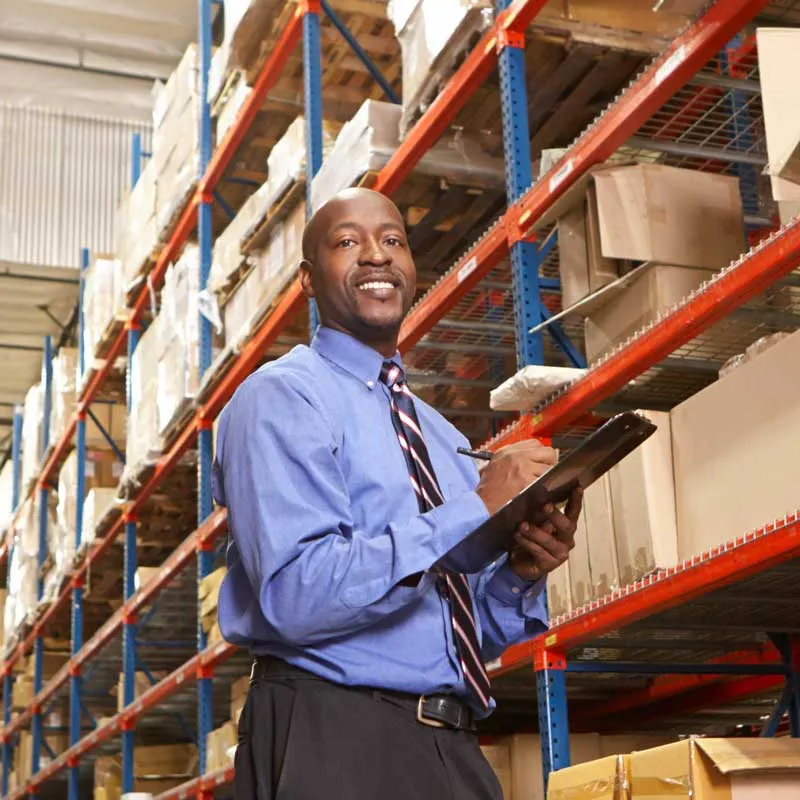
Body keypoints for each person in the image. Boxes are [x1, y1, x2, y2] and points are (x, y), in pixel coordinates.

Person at [212, 187, 582, 799]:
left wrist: (518, 570)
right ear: (308, 280)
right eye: (348, 242)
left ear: (412, 271)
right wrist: (475, 510)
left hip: (447, 738)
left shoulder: (437, 435)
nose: (376, 256)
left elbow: (455, 632)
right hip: (336, 735)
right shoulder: (280, 398)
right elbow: (298, 594)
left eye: (392, 241)